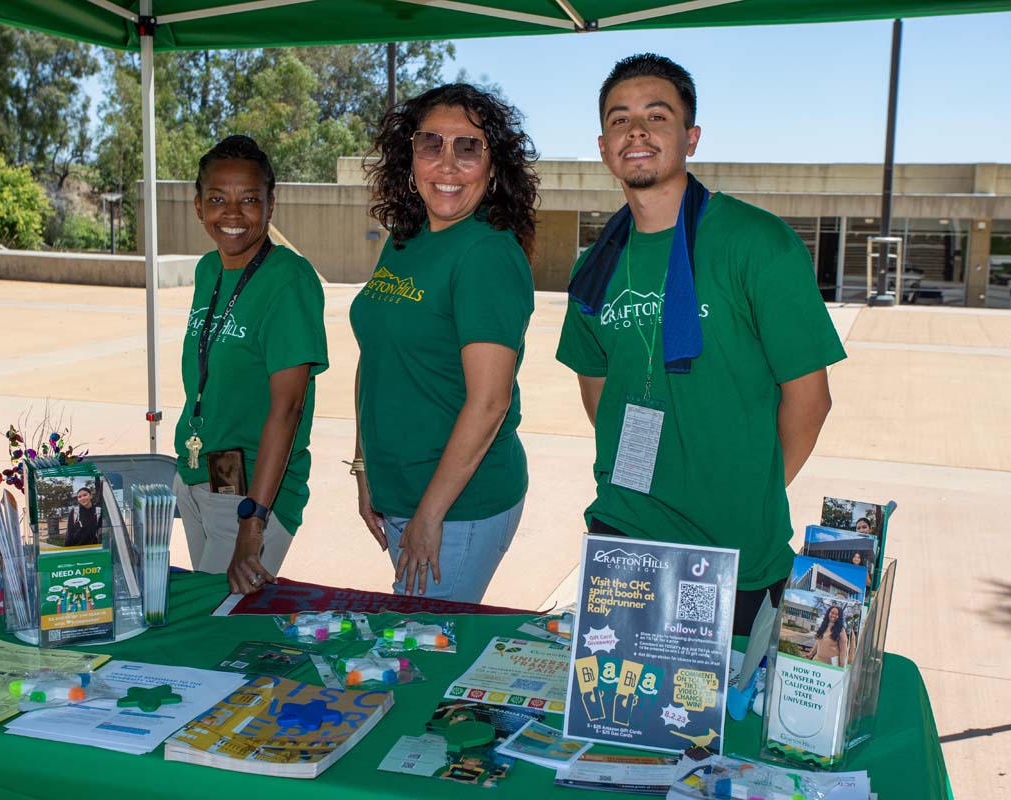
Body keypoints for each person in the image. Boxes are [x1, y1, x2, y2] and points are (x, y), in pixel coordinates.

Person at [555, 54, 847, 637]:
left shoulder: (757, 244)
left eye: (656, 116)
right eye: (619, 120)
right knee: (621, 714)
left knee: (724, 724)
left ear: (690, 138)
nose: (635, 130)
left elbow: (810, 401)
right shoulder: (594, 267)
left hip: (735, 551)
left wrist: (747, 485)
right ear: (603, 145)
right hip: (624, 535)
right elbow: (598, 392)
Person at [351, 83, 537, 602]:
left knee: (427, 652)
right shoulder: (406, 239)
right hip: (401, 492)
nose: (448, 164)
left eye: (469, 147)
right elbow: (377, 355)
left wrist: (430, 514)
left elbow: (490, 401)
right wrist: (365, 465)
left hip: (459, 506)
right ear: (409, 157)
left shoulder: (486, 254)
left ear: (494, 165)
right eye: (431, 144)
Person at [173, 135, 329, 595]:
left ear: (271, 205)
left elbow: (289, 408)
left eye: (249, 200)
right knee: (205, 613)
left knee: (219, 623)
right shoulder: (208, 270)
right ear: (198, 206)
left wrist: (253, 523)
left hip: (252, 495)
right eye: (218, 199)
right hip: (202, 476)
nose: (233, 214)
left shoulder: (289, 280)